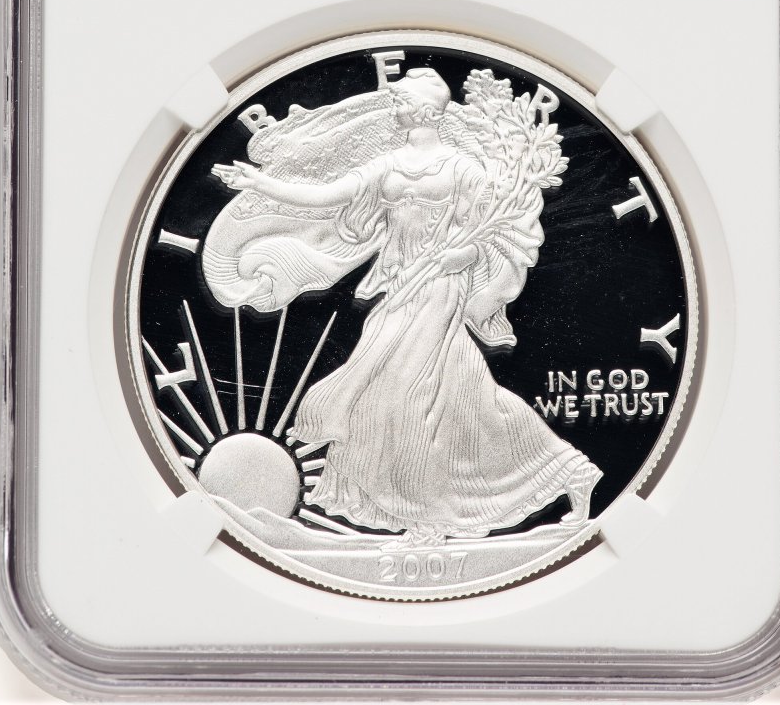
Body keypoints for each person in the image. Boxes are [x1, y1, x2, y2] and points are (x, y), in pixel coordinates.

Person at [211, 68, 601, 542]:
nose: (393, 107)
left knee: (409, 388)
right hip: (402, 285)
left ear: (425, 112)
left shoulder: (463, 170)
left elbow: (497, 232)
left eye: (400, 102)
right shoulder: (389, 166)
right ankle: (569, 471)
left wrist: (463, 254)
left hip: (442, 285)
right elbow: (324, 197)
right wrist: (261, 184)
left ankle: (428, 516)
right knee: (466, 396)